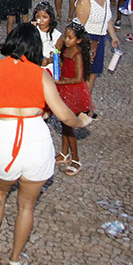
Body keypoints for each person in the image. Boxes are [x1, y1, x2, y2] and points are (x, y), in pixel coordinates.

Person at [0, 23, 91, 265]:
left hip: (3, 137)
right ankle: (14, 260)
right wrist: (81, 121)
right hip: (35, 138)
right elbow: (64, 114)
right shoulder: (41, 74)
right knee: (26, 206)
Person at [55, 22, 94, 176]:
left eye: (70, 38)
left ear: (79, 40)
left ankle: (76, 159)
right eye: (66, 36)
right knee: (63, 124)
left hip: (72, 91)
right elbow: (64, 65)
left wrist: (61, 81)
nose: (66, 40)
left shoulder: (77, 53)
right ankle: (64, 153)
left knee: (69, 125)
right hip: (65, 89)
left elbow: (78, 78)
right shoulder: (68, 50)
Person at [74, 0, 120, 96]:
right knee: (83, 74)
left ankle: (86, 103)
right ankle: (79, 103)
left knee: (92, 74)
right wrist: (87, 45)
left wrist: (113, 36)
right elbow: (79, 27)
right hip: (86, 39)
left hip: (100, 38)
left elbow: (107, 18)